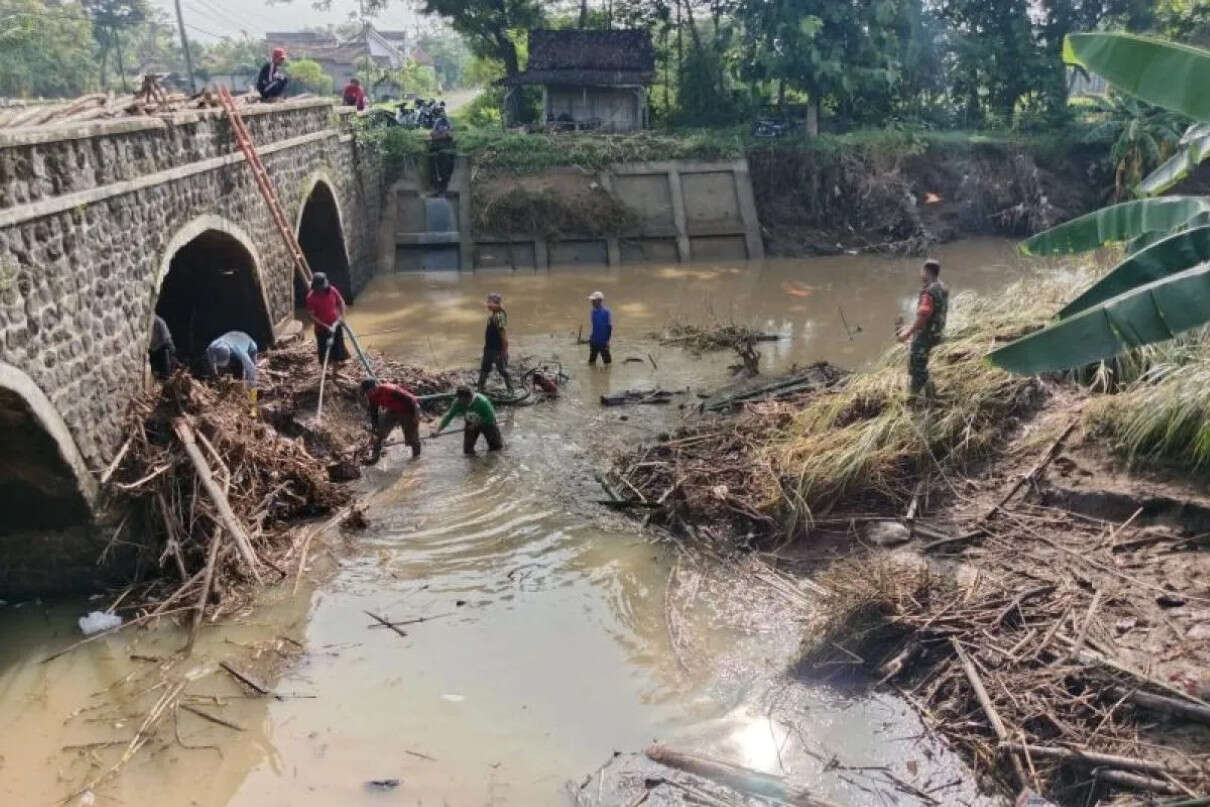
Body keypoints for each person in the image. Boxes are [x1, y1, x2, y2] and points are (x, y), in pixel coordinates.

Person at [896, 259, 948, 401]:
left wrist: (908, 332)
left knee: (916, 366)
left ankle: (912, 398)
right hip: (936, 332)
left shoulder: (928, 292)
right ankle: (931, 396)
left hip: (925, 335)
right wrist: (911, 326)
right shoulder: (942, 288)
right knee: (921, 364)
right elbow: (934, 313)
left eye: (922, 271)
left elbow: (924, 314)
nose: (920, 274)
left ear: (926, 271)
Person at [361, 379, 422, 462]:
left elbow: (412, 401)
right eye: (368, 392)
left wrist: (416, 416)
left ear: (375, 386)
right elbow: (373, 411)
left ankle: (416, 458)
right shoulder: (371, 396)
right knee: (380, 432)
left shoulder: (389, 390)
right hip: (392, 410)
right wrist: (375, 426)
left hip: (407, 410)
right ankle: (375, 456)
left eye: (371, 390)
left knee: (412, 437)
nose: (370, 393)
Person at [433, 385, 502, 455]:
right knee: (468, 451)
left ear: (468, 398)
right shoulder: (457, 403)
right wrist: (438, 430)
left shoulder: (482, 402)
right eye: (458, 398)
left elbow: (491, 417)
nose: (459, 401)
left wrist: (476, 424)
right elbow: (448, 416)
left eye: (461, 399)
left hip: (487, 423)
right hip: (470, 422)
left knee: (496, 448)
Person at [304, 272, 349, 367]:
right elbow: (311, 316)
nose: (323, 289)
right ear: (316, 287)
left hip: (336, 324)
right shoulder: (311, 298)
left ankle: (336, 369)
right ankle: (325, 369)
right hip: (322, 330)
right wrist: (326, 326)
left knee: (338, 347)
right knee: (324, 351)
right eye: (320, 287)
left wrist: (342, 317)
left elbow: (341, 302)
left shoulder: (332, 290)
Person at [478, 293, 513, 393]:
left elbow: (503, 335)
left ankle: (511, 390)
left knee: (502, 370)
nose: (487, 304)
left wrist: (504, 350)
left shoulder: (498, 316)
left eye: (490, 302)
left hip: (497, 350)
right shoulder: (493, 315)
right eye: (487, 302)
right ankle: (480, 388)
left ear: (497, 304)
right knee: (484, 368)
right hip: (489, 348)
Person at [428, 110, 455, 194]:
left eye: (444, 114)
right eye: (441, 114)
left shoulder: (448, 122)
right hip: (436, 149)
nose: (442, 116)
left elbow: (451, 134)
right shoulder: (437, 122)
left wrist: (443, 135)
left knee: (446, 162)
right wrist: (443, 135)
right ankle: (436, 185)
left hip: (446, 150)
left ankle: (444, 184)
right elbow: (432, 134)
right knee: (433, 161)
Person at [587, 290, 612, 365]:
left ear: (599, 301)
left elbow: (609, 327)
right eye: (592, 301)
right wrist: (591, 338)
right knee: (591, 362)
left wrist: (607, 341)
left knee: (607, 363)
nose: (592, 302)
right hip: (594, 341)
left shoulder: (606, 312)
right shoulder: (593, 312)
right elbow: (594, 327)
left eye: (594, 300)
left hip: (603, 342)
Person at [148, 314, 175, 380]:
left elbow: (164, 339)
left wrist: (152, 349)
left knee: (164, 372)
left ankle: (165, 377)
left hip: (164, 345)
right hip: (159, 346)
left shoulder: (156, 321)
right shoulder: (154, 320)